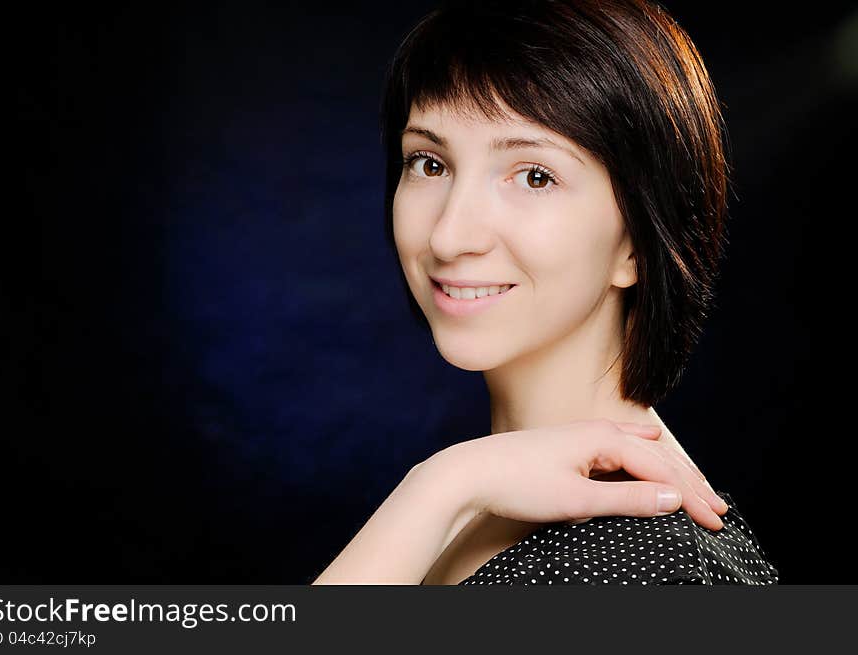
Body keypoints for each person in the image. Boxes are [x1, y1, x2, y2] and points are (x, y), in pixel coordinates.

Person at [312, 0, 779, 585]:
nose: (449, 235)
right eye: (429, 163)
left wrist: (445, 487)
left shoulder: (649, 571)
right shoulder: (469, 502)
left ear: (636, 242)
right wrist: (447, 487)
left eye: (535, 176)